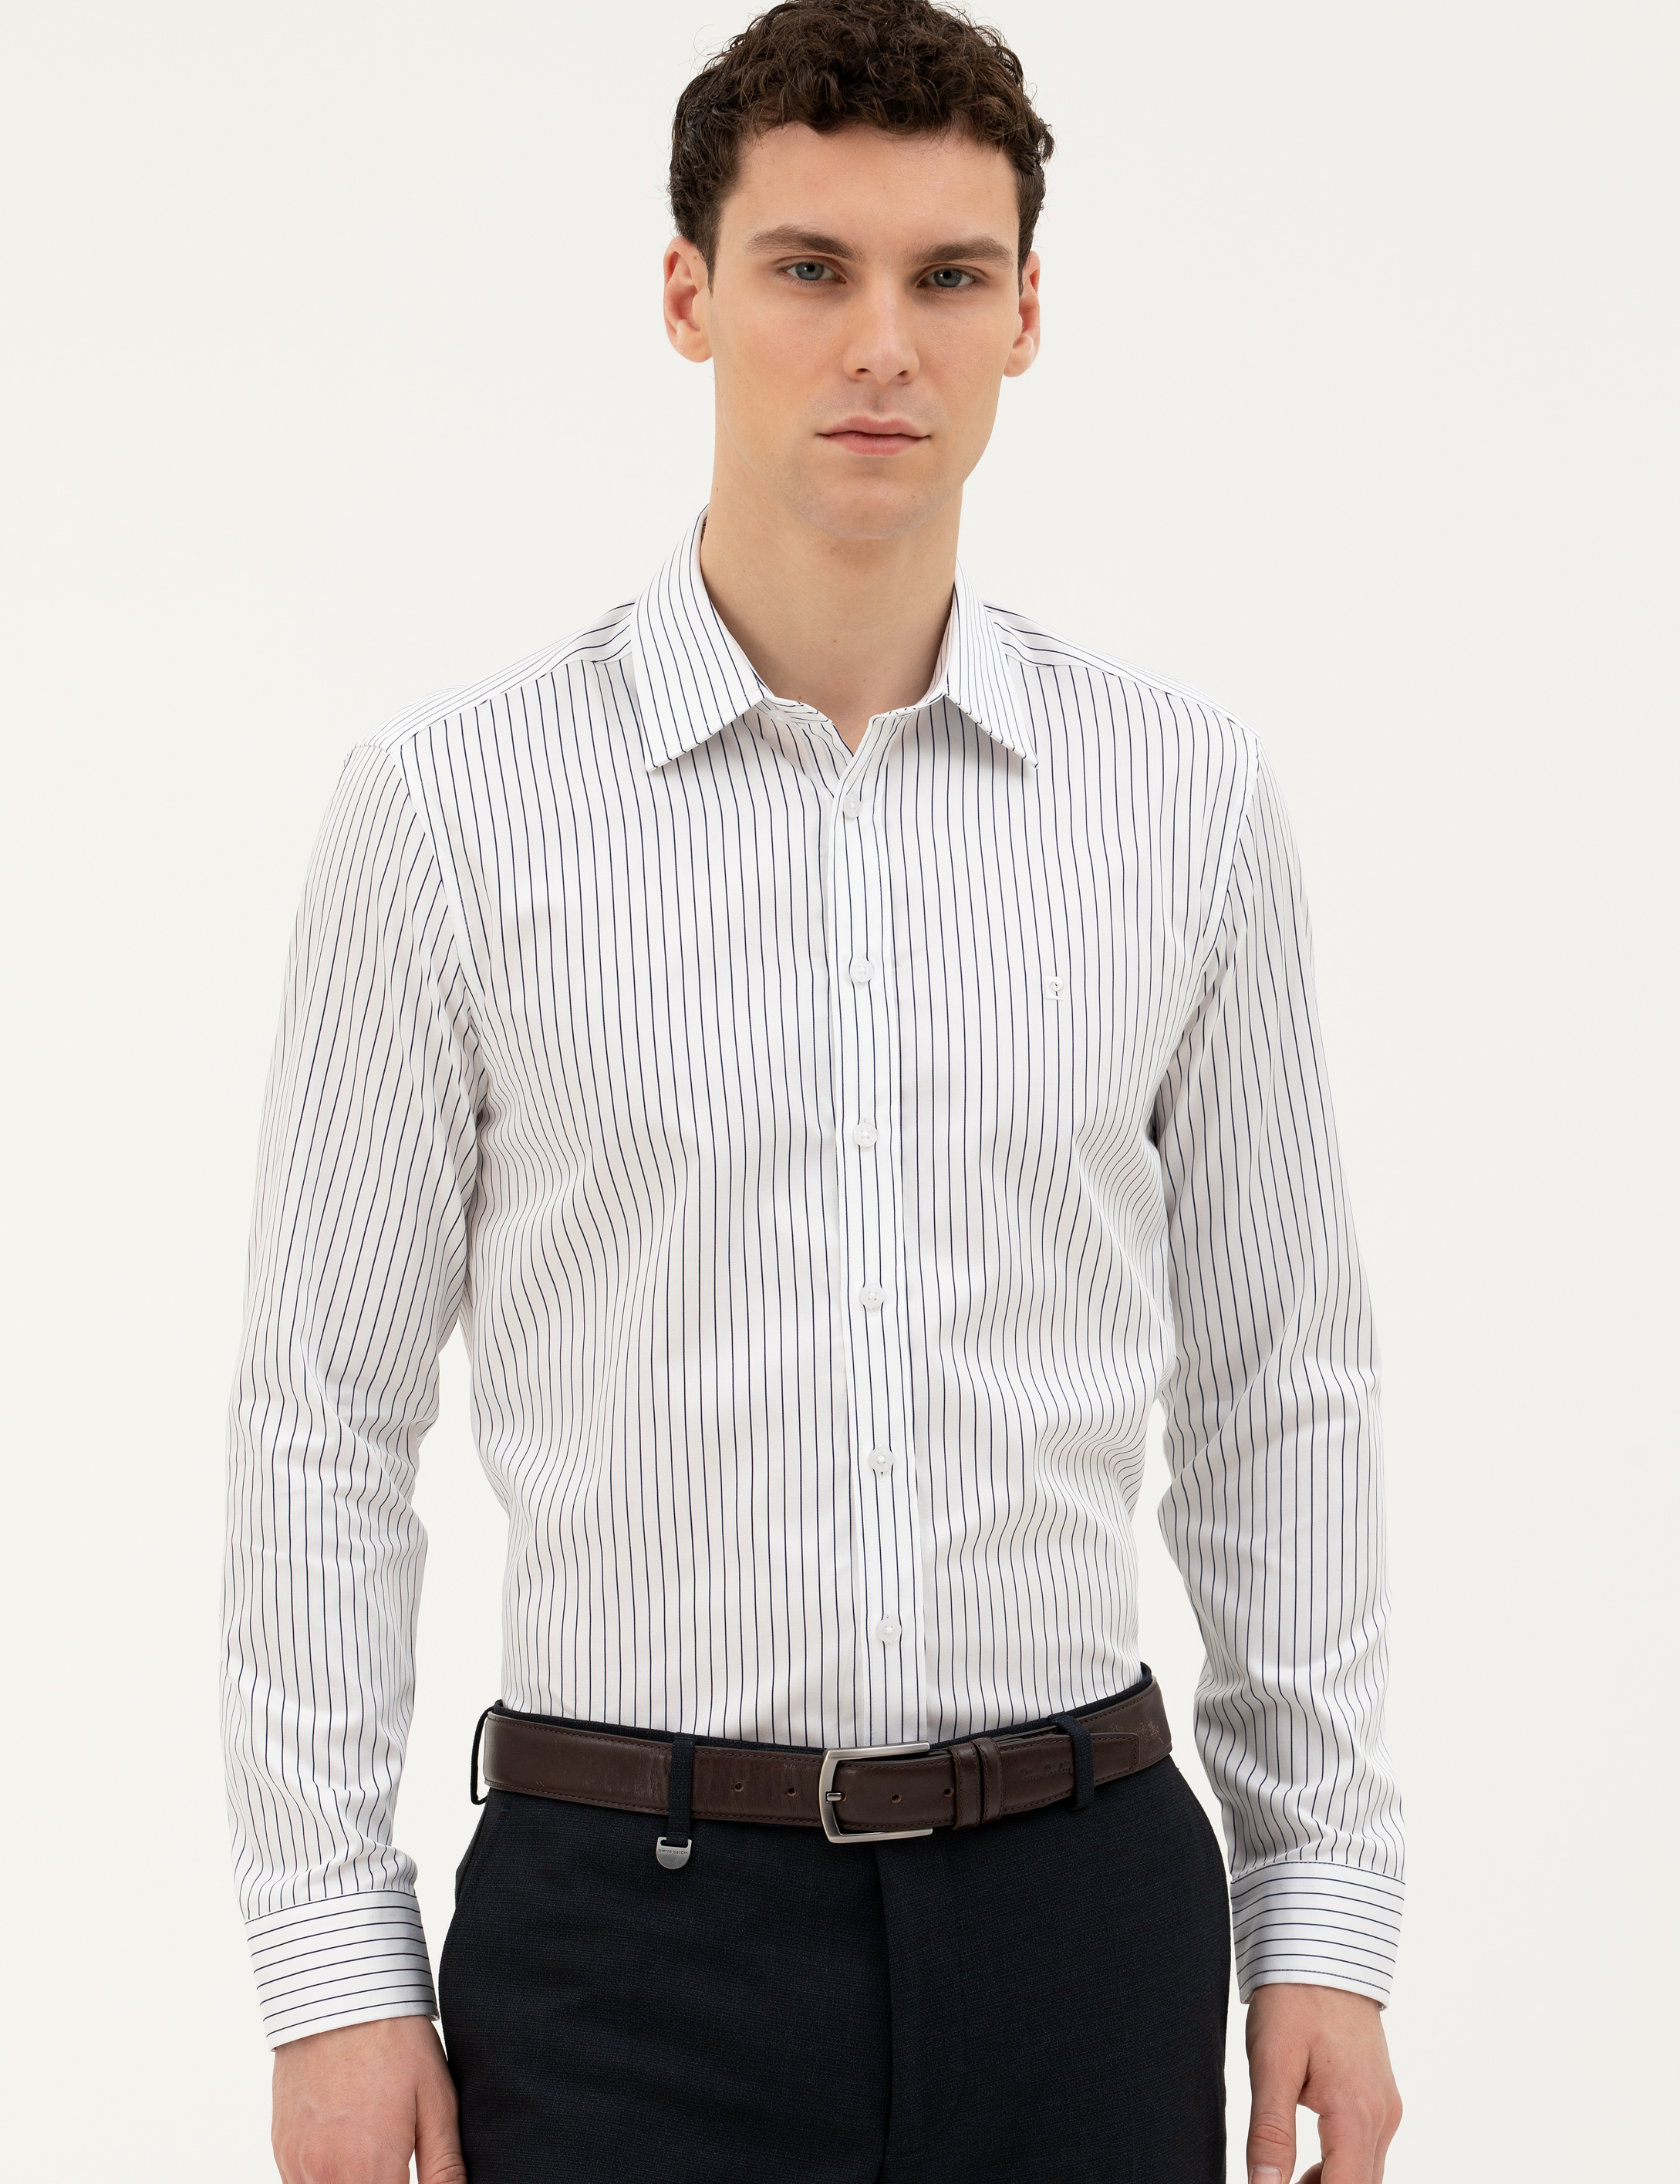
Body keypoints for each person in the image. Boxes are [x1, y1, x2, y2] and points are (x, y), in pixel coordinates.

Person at [222, 3, 1405, 2178]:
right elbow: (324, 1419)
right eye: (808, 268)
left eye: (948, 275)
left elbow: (1279, 1384)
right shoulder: (449, 812)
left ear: (1025, 315)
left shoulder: (1184, 804)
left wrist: (1317, 1908)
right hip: (623, 1948)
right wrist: (334, 1973)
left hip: (1083, 1922)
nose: (883, 342)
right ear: (688, 295)